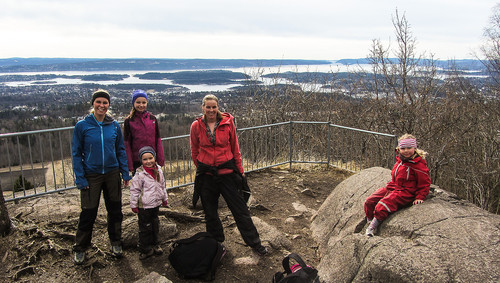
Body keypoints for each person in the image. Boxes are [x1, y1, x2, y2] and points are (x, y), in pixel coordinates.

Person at [190, 94, 268, 255]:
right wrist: (202, 165)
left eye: (214, 107)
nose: (211, 110)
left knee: (240, 210)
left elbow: (235, 148)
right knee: (210, 213)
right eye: (208, 107)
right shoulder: (196, 126)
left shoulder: (227, 123)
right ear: (203, 108)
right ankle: (216, 244)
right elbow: (194, 150)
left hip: (227, 173)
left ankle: (255, 243)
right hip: (207, 175)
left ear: (218, 107)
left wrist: (240, 171)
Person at [71, 89, 131, 265]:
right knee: (88, 212)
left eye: (105, 103)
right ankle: (80, 247)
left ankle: (116, 242)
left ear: (108, 105)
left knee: (115, 210)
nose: (102, 106)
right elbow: (76, 153)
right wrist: (80, 178)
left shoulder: (113, 126)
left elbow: (120, 149)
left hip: (112, 173)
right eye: (99, 102)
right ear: (93, 104)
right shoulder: (82, 126)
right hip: (92, 175)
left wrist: (125, 171)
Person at [364, 134, 431, 236]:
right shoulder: (400, 161)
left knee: (382, 205)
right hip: (394, 187)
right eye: (403, 148)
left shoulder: (418, 164)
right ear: (399, 149)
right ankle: (370, 221)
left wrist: (420, 196)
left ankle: (372, 227)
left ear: (414, 148)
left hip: (406, 192)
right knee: (369, 201)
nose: (406, 151)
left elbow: (425, 182)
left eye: (409, 148)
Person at [129, 146, 168, 260]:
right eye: (145, 159)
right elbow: (134, 191)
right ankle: (144, 249)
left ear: (154, 158)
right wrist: (134, 205)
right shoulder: (140, 174)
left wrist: (164, 198)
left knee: (155, 225)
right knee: (145, 228)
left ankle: (156, 244)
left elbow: (162, 185)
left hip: (155, 204)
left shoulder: (158, 171)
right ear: (141, 161)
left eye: (150, 158)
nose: (148, 161)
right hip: (144, 206)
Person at [123, 89, 165, 174]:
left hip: (152, 160)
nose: (141, 105)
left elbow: (158, 140)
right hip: (137, 161)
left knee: (153, 185)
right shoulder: (129, 121)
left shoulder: (152, 118)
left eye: (144, 102)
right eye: (138, 102)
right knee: (140, 186)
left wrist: (160, 160)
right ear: (133, 103)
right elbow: (127, 144)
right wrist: (130, 165)